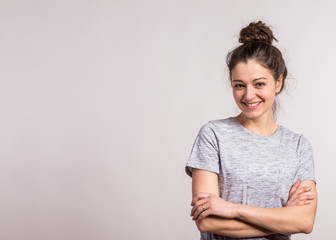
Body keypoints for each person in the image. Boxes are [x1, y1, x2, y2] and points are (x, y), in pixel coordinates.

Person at [185, 21, 317, 240]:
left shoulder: (298, 146)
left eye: (259, 84)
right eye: (239, 85)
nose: (248, 95)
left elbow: (305, 221)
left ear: (277, 83)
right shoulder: (214, 135)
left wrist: (233, 209)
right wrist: (283, 220)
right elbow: (206, 221)